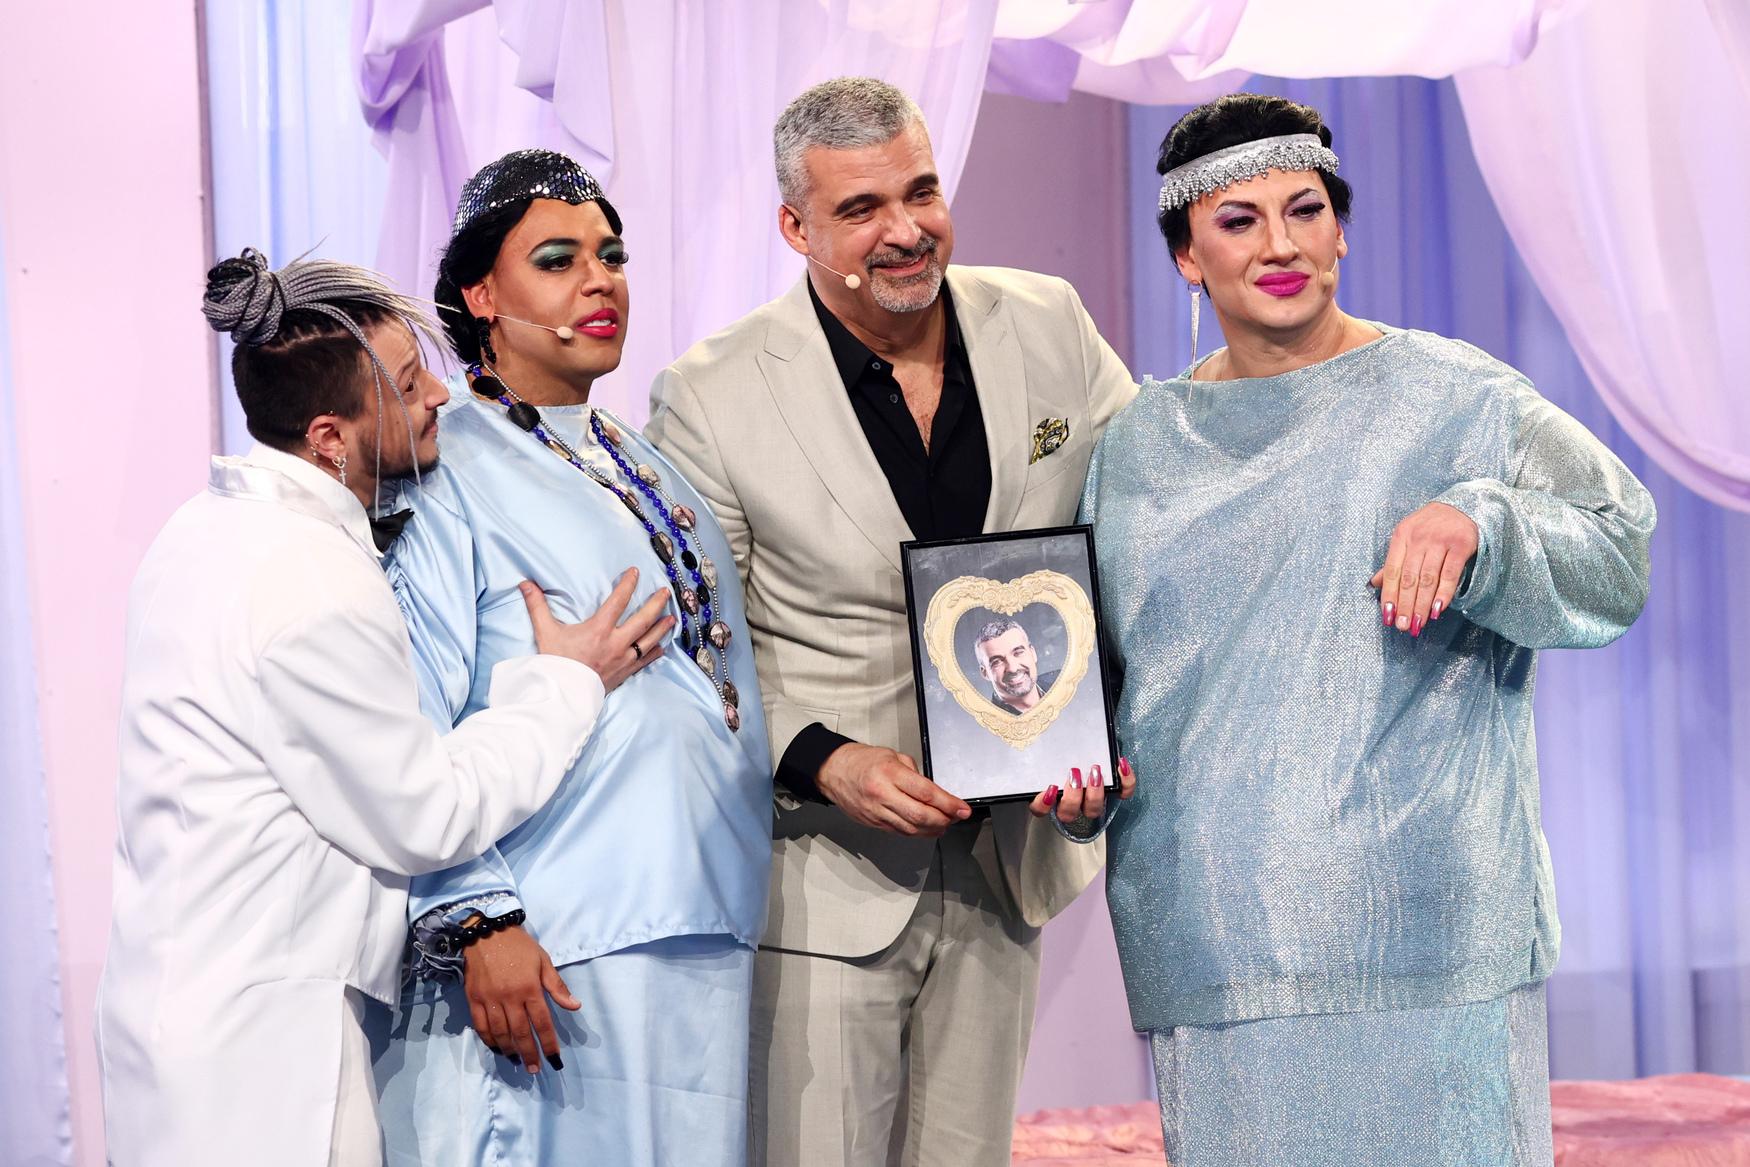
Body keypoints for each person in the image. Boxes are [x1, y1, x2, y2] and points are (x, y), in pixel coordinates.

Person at [1080, 94, 1657, 1166]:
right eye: (1238, 221)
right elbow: (1102, 687)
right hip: (1218, 937)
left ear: (1341, 229)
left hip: (1431, 930)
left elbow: (1618, 549)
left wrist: (1483, 523)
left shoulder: (1458, 396)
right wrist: (1072, 783)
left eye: (1304, 210)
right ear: (1186, 260)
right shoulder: (1136, 449)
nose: (1281, 244)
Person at [646, 77, 1136, 1167]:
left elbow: (1151, 517)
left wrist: (1104, 719)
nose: (907, 230)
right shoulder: (711, 395)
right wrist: (825, 760)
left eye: (920, 192)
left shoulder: (1049, 323)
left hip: (1009, 861)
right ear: (796, 228)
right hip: (825, 881)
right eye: (861, 208)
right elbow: (693, 653)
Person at [96, 249, 668, 1167]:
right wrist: (565, 681)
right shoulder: (306, 577)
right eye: (406, 384)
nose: (439, 395)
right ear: (330, 436)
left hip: (186, 1007)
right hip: (266, 1049)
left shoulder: (204, 528)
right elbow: (425, 813)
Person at [369, 149, 772, 1167]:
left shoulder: (638, 456)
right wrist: (474, 917)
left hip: (698, 921)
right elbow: (410, 714)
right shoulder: (445, 465)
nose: (600, 281)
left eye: (612, 256)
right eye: (558, 261)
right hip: (550, 934)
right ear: (480, 295)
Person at [973, 617, 1056, 714]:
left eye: (1018, 653)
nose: (1013, 668)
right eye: (997, 662)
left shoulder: (1062, 682)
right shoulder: (990, 720)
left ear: (1033, 653)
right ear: (985, 673)